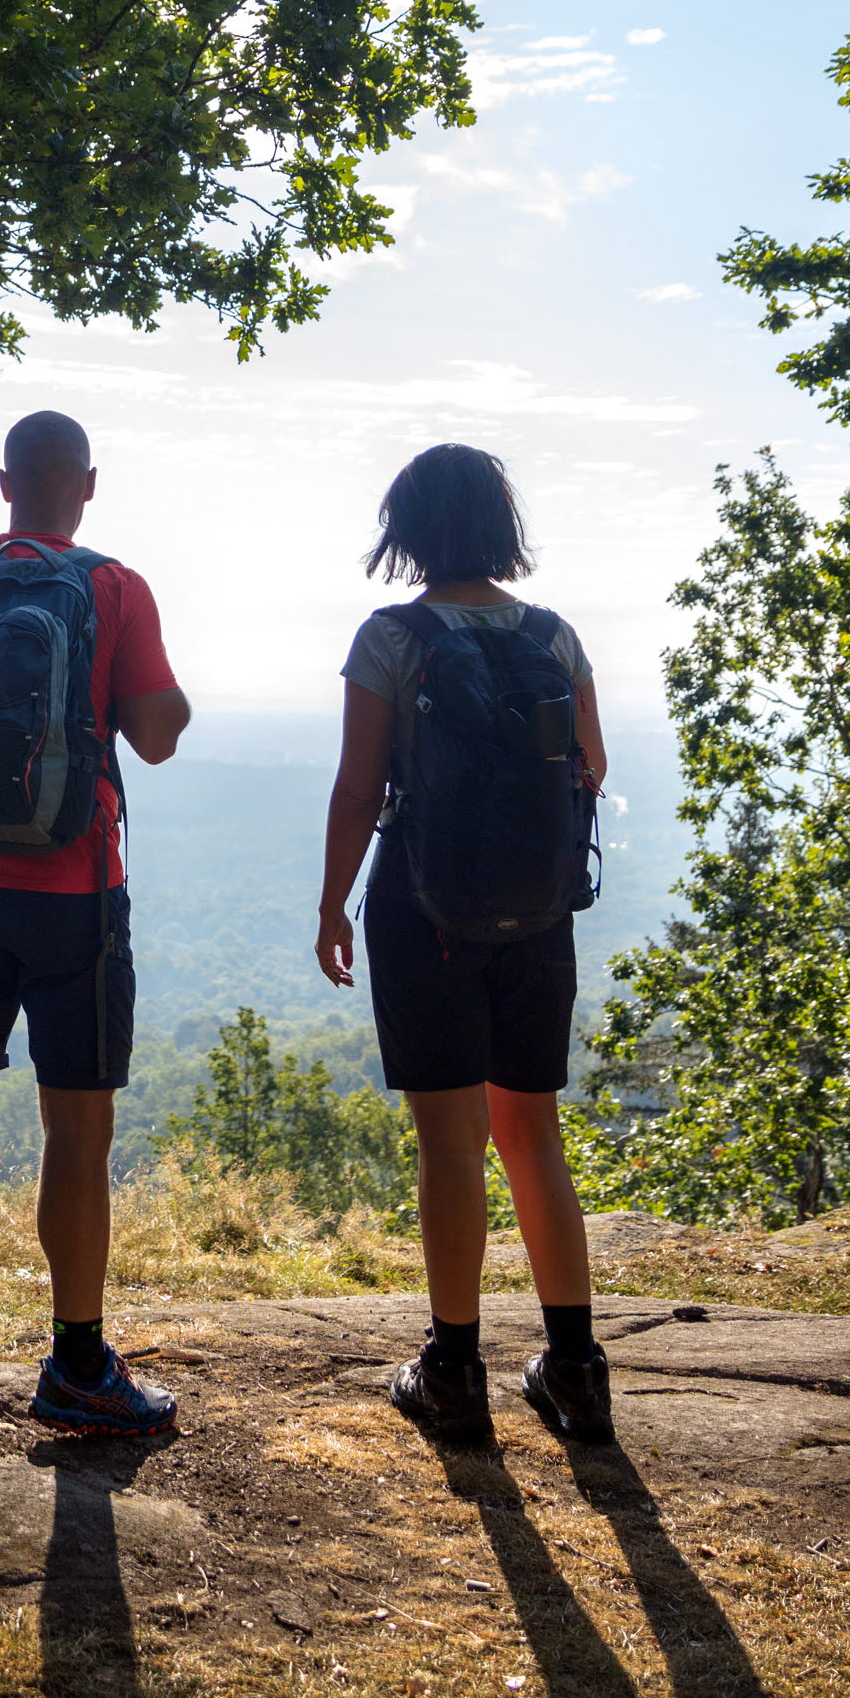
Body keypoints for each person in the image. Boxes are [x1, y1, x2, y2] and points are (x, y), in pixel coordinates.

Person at [0, 409, 192, 1432]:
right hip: (76, 897)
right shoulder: (110, 585)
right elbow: (154, 737)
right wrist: (168, 702)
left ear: (4, 478)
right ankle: (75, 1360)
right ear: (86, 484)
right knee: (77, 1127)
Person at [313, 443, 614, 1443]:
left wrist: (332, 903)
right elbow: (590, 763)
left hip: (422, 909)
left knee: (450, 1142)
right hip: (537, 911)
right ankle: (573, 1367)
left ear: (408, 528)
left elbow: (360, 786)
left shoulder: (391, 637)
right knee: (533, 1135)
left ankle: (452, 1368)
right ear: (500, 525)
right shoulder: (553, 634)